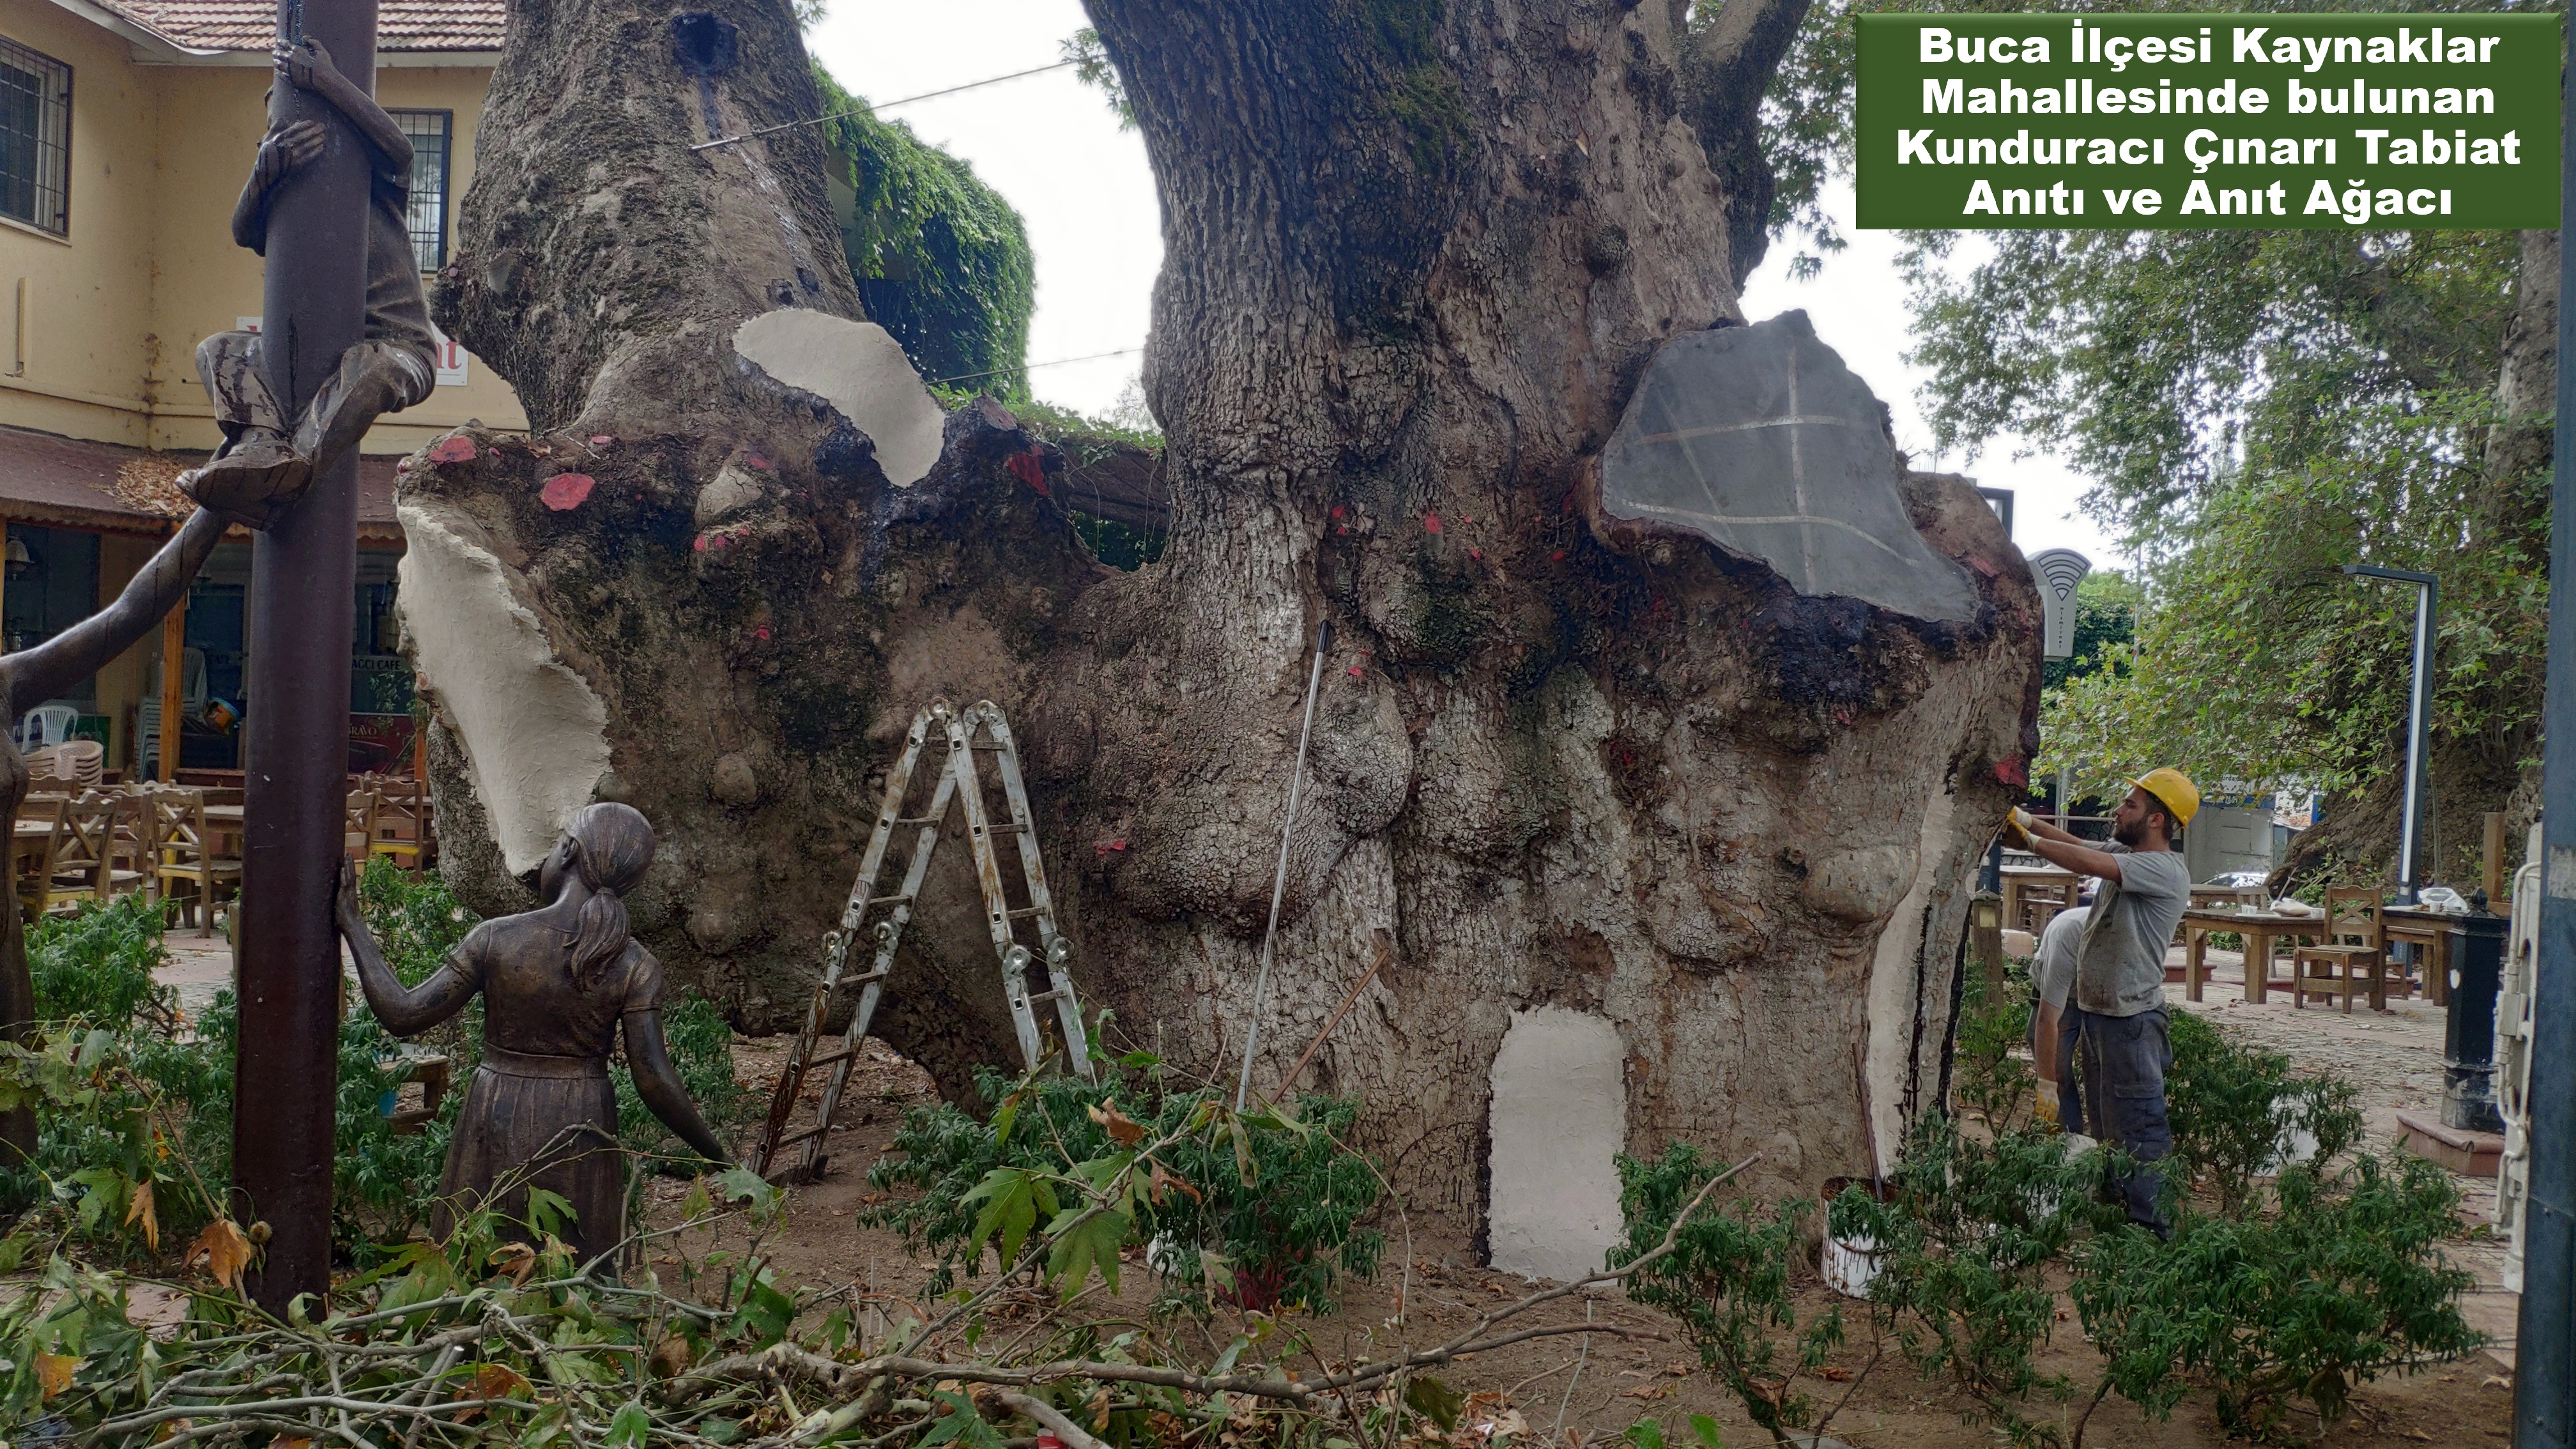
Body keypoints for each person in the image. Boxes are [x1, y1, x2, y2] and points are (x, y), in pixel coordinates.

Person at [337, 804, 733, 1265]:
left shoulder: (496, 938)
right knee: (573, 1274)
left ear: (567, 852)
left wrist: (353, 923)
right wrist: (717, 1155)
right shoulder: (635, 965)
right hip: (580, 1121)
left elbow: (403, 1013)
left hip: (496, 1108)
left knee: (476, 1262)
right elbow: (653, 1079)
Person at [0, 509, 229, 1160]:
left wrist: (213, 515)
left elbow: (131, 611)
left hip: (2, 942)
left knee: (13, 1145)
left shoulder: (6, 682)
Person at [180, 37, 436, 530]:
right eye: (276, 133)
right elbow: (242, 231)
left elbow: (401, 149)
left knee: (370, 365)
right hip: (304, 362)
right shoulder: (284, 199)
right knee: (219, 349)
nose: (287, 140)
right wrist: (262, 176)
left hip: (400, 349)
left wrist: (329, 82)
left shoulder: (375, 187)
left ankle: (289, 470)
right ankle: (260, 447)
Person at [2007, 769, 2198, 1234]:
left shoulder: (2162, 869)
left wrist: (2028, 843)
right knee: (2108, 1124)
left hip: (2131, 1021)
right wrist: (2023, 822)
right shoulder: (2127, 856)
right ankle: (2118, 1207)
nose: (2118, 810)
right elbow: (2073, 843)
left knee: (2140, 1126)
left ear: (2156, 819)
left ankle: (2154, 1229)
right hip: (2104, 1018)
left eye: (2129, 805)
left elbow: (2083, 863)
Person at [2029, 897, 2090, 1135]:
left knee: (2104, 1070)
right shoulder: (2070, 935)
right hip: (2062, 995)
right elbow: (2047, 1021)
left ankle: (2105, 1149)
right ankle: (2065, 1140)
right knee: (2056, 1069)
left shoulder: (2137, 935)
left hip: (2103, 998)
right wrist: (2047, 1089)